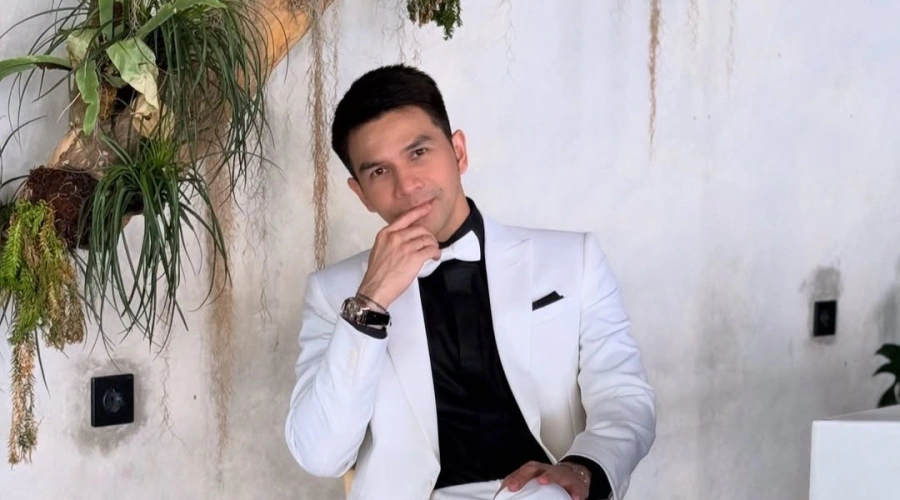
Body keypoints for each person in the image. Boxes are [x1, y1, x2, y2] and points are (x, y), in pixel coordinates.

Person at [284, 64, 656, 500]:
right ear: (360, 193)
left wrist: (584, 468)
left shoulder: (574, 259)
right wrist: (370, 303)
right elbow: (320, 455)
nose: (408, 185)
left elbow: (624, 397)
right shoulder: (333, 293)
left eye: (418, 152)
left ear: (458, 151)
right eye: (379, 172)